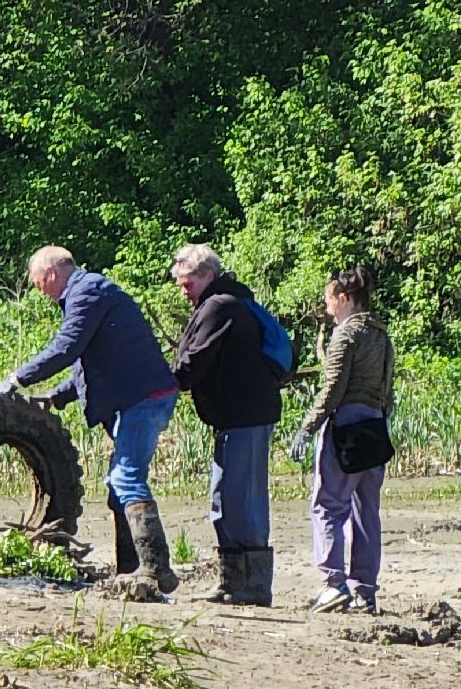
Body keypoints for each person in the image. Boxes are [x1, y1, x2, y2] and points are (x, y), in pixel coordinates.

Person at [0, 246, 181, 595]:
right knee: (117, 488)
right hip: (135, 397)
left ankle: (156, 569)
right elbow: (89, 359)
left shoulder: (88, 291)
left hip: (144, 399)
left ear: (49, 274)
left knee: (126, 478)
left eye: (37, 285)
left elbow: (67, 347)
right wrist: (56, 396)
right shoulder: (88, 293)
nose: (41, 293)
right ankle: (131, 570)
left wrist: (17, 380)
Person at [167, 244, 282, 606]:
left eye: (187, 284)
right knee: (223, 498)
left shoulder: (221, 306)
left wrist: (161, 383)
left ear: (207, 276)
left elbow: (194, 361)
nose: (183, 291)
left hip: (247, 415)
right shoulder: (216, 304)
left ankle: (255, 586)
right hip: (233, 417)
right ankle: (231, 581)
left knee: (241, 498)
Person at [292, 268, 395, 614]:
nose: (327, 308)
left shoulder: (346, 335)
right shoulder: (382, 336)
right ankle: (365, 591)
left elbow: (332, 389)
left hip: (346, 427)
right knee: (367, 511)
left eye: (329, 300)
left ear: (345, 299)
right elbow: (387, 389)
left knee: (328, 505)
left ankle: (333, 583)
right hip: (376, 426)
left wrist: (308, 427)